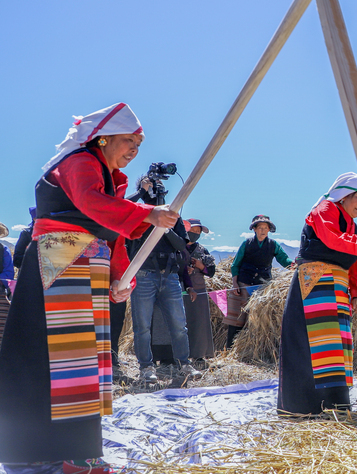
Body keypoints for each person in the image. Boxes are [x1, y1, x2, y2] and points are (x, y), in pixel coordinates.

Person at [0, 103, 179, 473]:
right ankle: (63, 452)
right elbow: (90, 203)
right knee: (67, 360)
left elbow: (112, 233)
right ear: (103, 139)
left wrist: (119, 278)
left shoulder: (111, 178)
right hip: (61, 261)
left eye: (139, 145)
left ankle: (51, 449)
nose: (134, 150)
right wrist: (146, 213)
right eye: (129, 141)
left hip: (83, 267)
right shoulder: (80, 161)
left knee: (77, 359)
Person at [278, 173, 357, 414]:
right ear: (345, 195)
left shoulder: (355, 228)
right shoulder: (325, 209)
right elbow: (331, 238)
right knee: (309, 346)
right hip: (314, 285)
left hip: (338, 291)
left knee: (334, 350)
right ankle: (302, 408)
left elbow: (356, 265)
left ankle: (334, 406)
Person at [127, 180, 200, 383]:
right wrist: (141, 193)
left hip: (169, 275)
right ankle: (146, 368)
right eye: (152, 187)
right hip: (143, 275)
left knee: (179, 325)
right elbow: (121, 211)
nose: (157, 192)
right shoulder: (137, 212)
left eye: (159, 188)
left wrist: (165, 226)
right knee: (142, 327)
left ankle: (184, 364)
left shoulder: (172, 215)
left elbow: (181, 245)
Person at [225, 215, 294, 348]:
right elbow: (235, 265)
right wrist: (235, 283)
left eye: (266, 228)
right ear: (254, 229)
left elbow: (284, 260)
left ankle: (252, 348)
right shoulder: (247, 244)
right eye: (260, 227)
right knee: (237, 317)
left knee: (258, 318)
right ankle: (230, 348)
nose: (263, 230)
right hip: (244, 283)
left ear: (269, 230)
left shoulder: (273, 245)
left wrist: (294, 265)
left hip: (262, 286)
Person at [183, 218, 216, 361]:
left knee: (200, 322)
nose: (195, 233)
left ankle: (199, 354)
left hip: (199, 289)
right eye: (193, 230)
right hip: (180, 290)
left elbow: (211, 272)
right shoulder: (177, 247)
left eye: (198, 231)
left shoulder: (203, 250)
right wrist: (184, 270)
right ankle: (181, 354)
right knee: (182, 322)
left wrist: (200, 266)